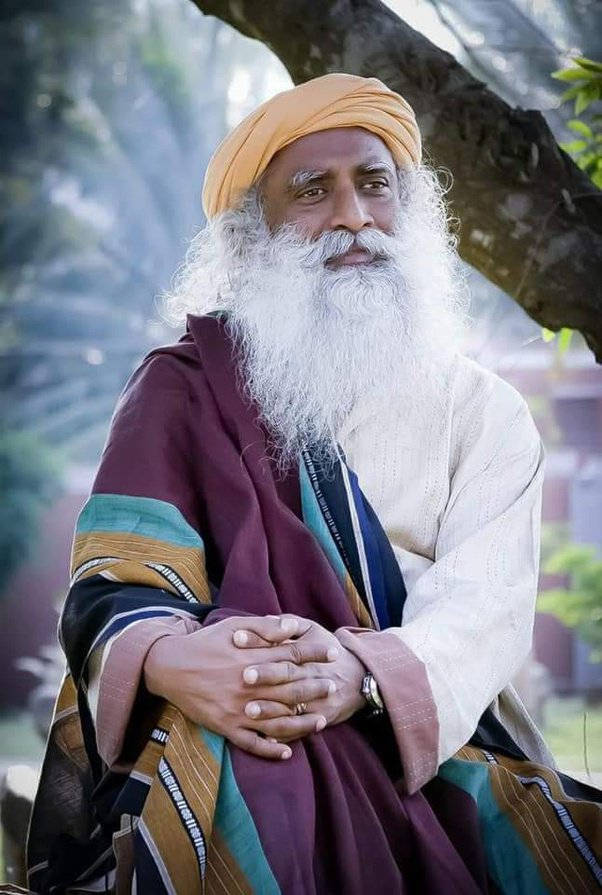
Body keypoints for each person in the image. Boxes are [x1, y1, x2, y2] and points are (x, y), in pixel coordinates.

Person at [26, 73, 601, 895]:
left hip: (432, 736)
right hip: (215, 717)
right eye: (311, 192)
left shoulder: (486, 412)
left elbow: (486, 613)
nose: (353, 218)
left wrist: (356, 674)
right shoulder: (184, 389)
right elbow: (121, 579)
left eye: (375, 184)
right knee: (245, 768)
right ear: (252, 238)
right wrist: (172, 662)